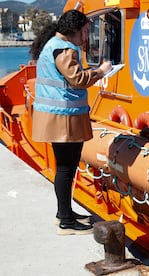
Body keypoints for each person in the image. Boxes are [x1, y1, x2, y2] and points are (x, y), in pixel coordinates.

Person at [30, 10, 112, 235]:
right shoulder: (65, 49)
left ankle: (64, 213)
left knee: (66, 167)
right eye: (85, 32)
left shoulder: (55, 45)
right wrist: (100, 71)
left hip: (59, 115)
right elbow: (77, 80)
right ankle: (66, 220)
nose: (86, 37)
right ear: (74, 31)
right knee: (66, 168)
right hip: (63, 117)